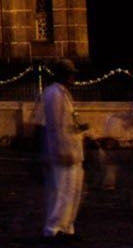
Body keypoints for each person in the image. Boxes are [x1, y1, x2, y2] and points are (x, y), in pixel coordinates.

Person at [37, 59, 87, 239]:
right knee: (61, 191)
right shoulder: (54, 94)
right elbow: (54, 126)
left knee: (72, 191)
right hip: (62, 151)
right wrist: (61, 150)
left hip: (72, 149)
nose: (73, 77)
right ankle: (53, 228)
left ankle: (66, 225)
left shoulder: (64, 94)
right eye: (70, 73)